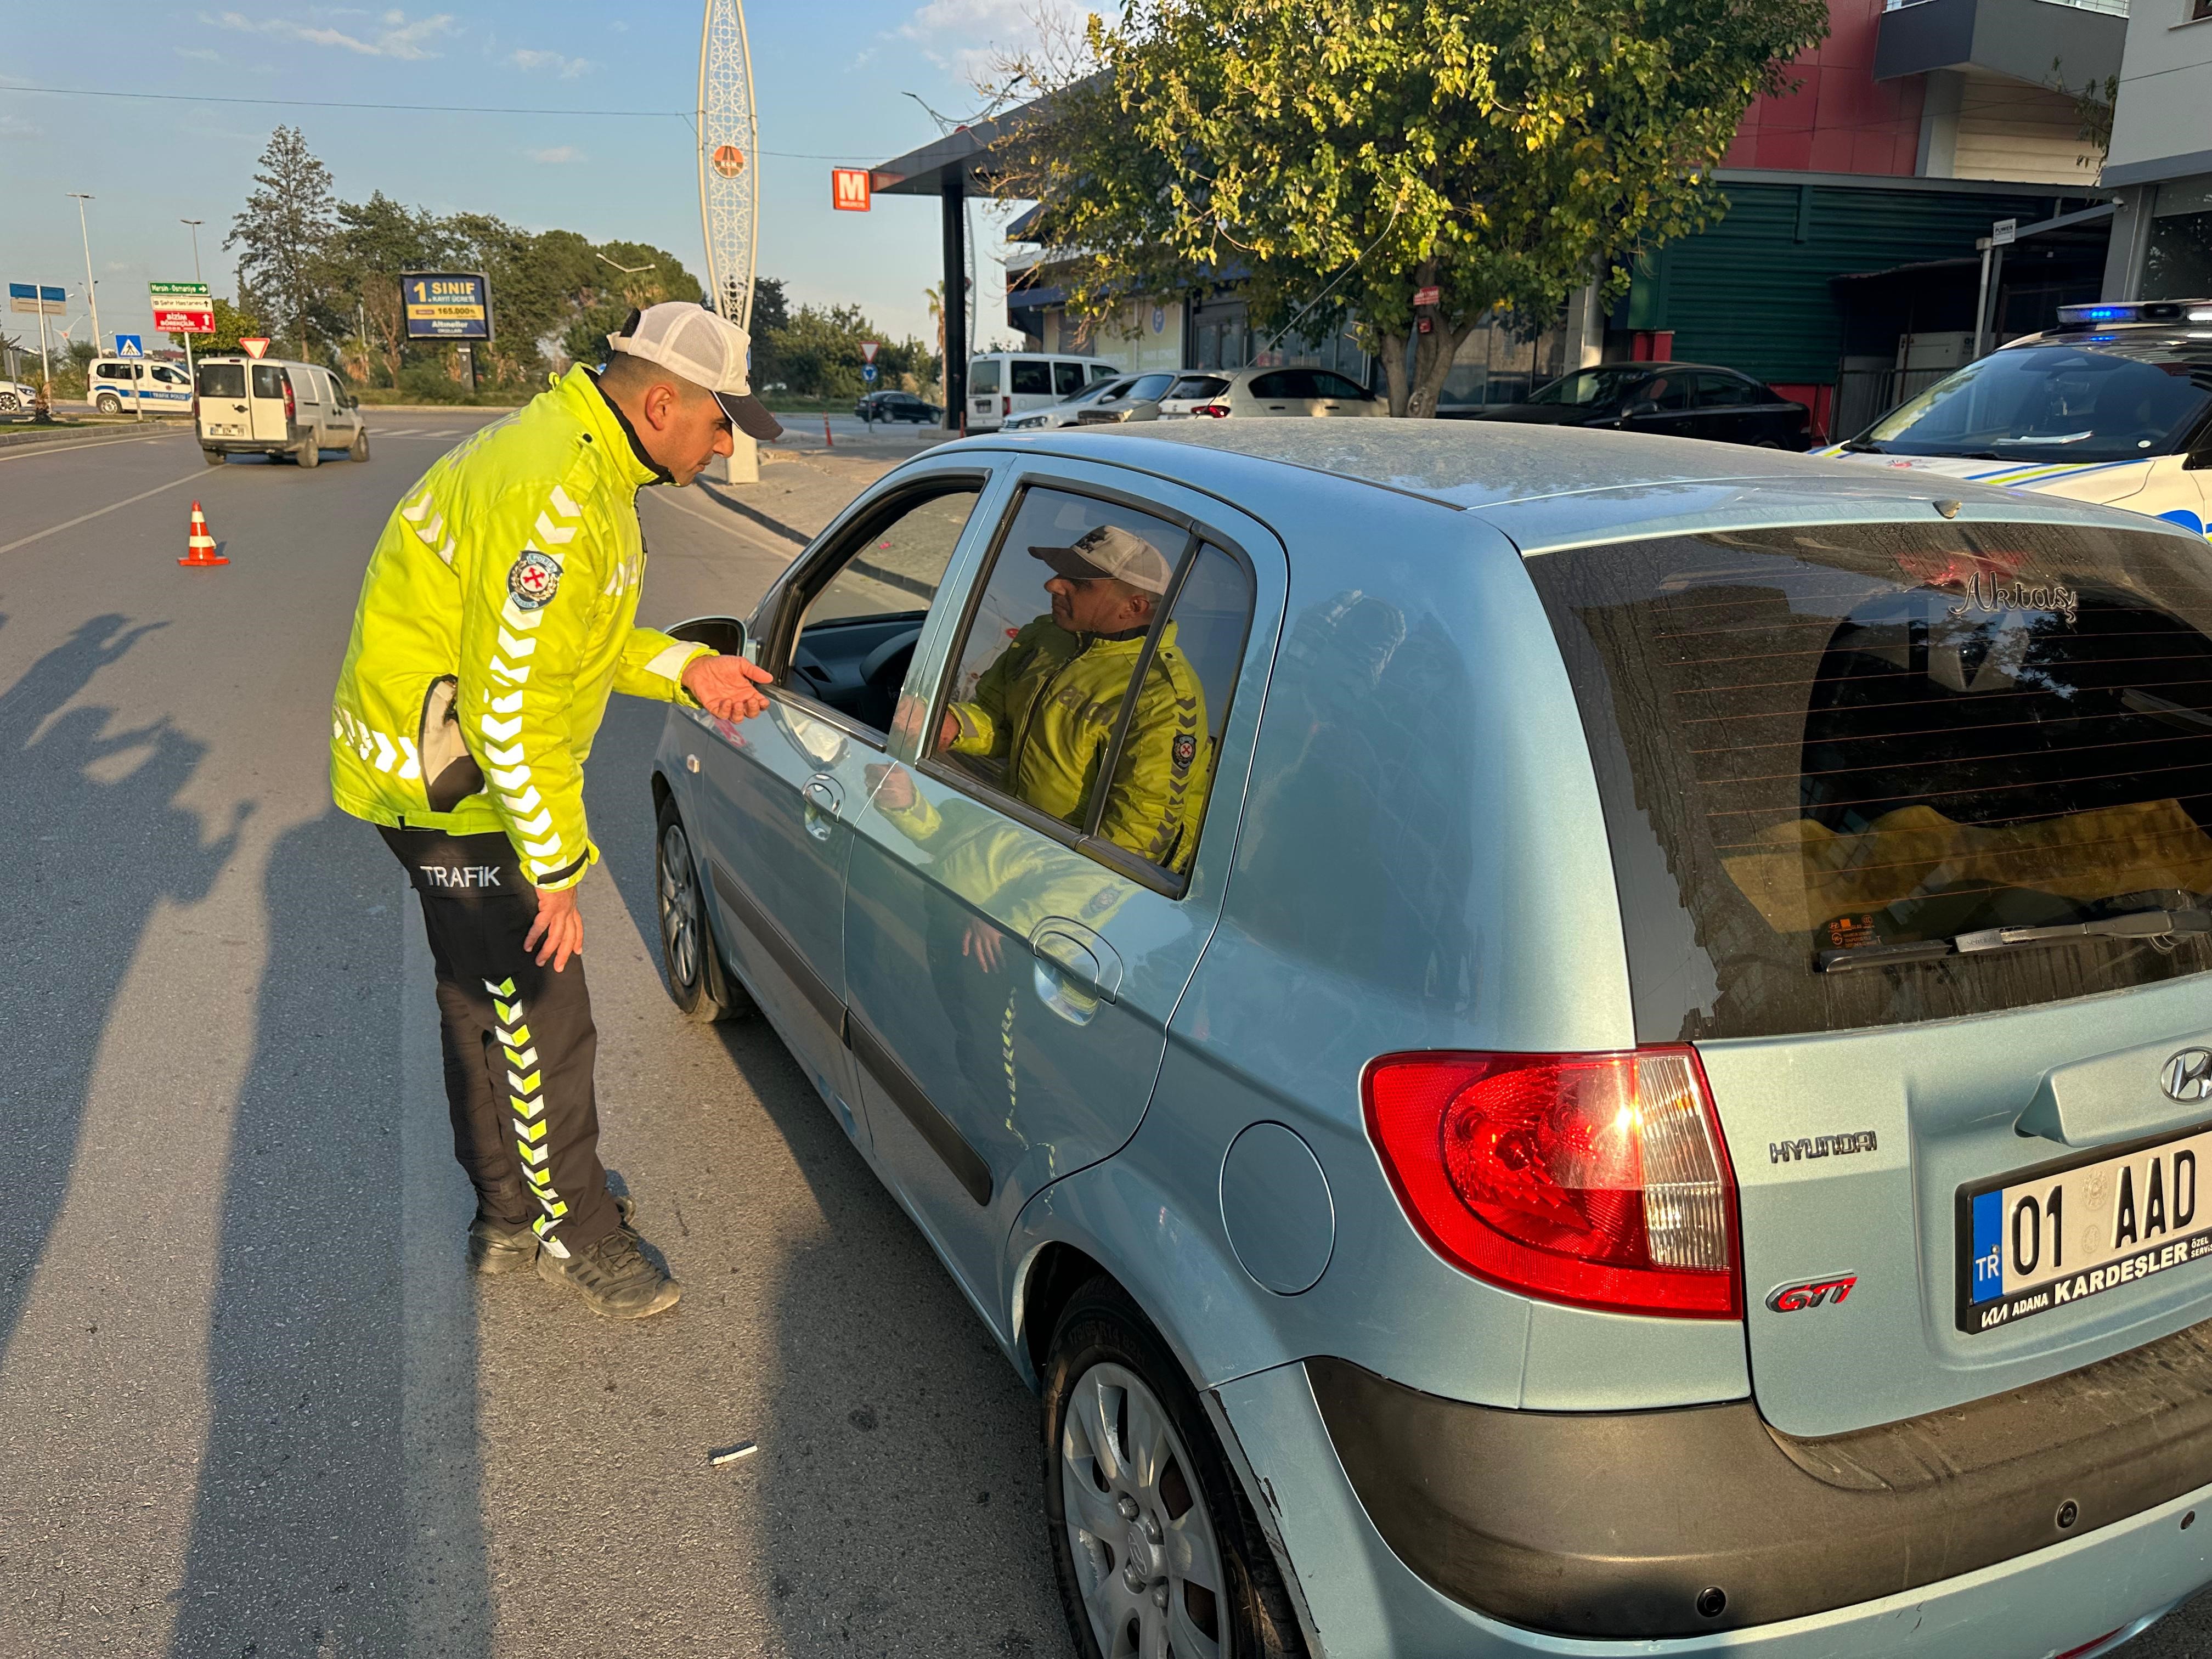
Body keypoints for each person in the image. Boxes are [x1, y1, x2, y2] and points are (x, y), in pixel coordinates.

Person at [328, 301, 779, 1319]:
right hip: (452, 778)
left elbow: (578, 647)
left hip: (431, 764)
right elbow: (509, 703)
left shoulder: (586, 468)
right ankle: (579, 1231)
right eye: (720, 423)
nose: (725, 444)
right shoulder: (558, 496)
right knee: (542, 1008)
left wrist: (691, 666)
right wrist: (557, 865)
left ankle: (505, 1215)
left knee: (479, 996)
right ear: (661, 402)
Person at [934, 522, 1210, 873]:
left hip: (1070, 877)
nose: (1052, 584)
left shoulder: (1161, 694)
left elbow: (1135, 839)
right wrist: (952, 725)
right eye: (1059, 573)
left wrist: (1033, 907)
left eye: (1077, 583)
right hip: (1016, 839)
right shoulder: (1046, 637)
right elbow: (1000, 722)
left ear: (1133, 606)